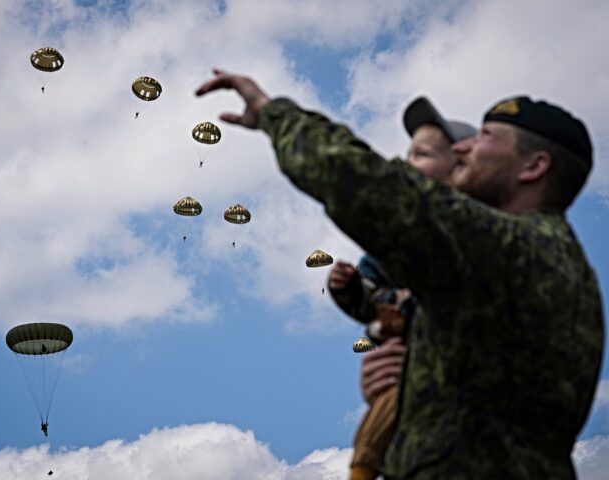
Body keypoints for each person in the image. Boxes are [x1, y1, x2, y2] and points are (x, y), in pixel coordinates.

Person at [196, 69, 604, 479]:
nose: (464, 148)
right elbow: (482, 394)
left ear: (534, 166)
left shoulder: (506, 249)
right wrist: (411, 384)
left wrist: (272, 113)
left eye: (484, 138)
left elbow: (364, 182)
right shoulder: (549, 266)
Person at [329, 97, 477, 480]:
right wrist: (347, 288)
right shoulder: (395, 240)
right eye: (409, 152)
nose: (410, 161)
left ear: (462, 167)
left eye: (423, 154)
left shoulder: (478, 238)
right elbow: (368, 295)